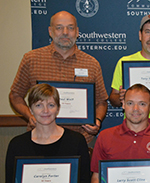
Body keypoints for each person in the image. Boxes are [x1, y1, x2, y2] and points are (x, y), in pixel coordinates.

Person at [9, 11, 108, 144]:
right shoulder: (31, 59)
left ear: (77, 32)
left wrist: (98, 120)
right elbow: (15, 95)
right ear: (50, 31)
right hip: (40, 138)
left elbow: (101, 102)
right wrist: (29, 115)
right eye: (59, 27)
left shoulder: (92, 64)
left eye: (70, 28)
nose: (65, 32)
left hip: (81, 140)